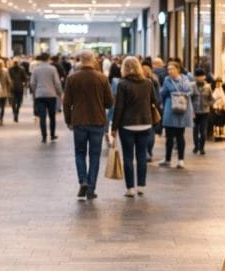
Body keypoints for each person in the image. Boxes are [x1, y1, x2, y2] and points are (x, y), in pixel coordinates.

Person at [63, 50, 114, 200]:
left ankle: (83, 180)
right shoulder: (102, 78)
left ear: (80, 60)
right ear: (92, 60)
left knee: (79, 153)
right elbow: (110, 102)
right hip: (97, 121)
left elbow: (67, 103)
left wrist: (68, 120)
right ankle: (91, 188)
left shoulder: (72, 78)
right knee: (94, 155)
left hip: (79, 121)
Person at [112, 58, 160, 198]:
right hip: (145, 123)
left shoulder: (123, 84)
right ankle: (141, 186)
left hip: (127, 125)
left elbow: (119, 107)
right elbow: (154, 102)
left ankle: (130, 188)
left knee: (128, 157)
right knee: (141, 156)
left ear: (125, 68)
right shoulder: (148, 82)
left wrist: (114, 127)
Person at [157, 62, 193, 168]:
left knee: (180, 135)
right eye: (168, 69)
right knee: (169, 136)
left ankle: (180, 160)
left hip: (180, 109)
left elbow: (189, 91)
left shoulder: (184, 79)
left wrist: (176, 93)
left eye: (172, 69)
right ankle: (168, 159)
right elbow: (163, 93)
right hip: (171, 110)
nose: (170, 71)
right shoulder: (168, 79)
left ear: (178, 69)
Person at [31, 52, 63, 143]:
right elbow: (57, 83)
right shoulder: (52, 69)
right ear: (48, 58)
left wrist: (35, 91)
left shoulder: (36, 69)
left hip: (40, 95)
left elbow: (32, 83)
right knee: (52, 116)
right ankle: (52, 135)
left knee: (42, 116)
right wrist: (60, 93)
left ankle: (44, 136)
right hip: (51, 94)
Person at [190, 68, 214, 155]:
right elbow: (189, 99)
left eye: (201, 76)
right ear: (195, 77)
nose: (200, 78)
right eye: (198, 76)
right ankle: (196, 146)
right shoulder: (192, 86)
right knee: (195, 130)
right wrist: (191, 111)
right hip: (195, 112)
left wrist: (209, 103)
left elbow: (211, 99)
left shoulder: (208, 87)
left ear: (204, 77)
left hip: (205, 112)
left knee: (203, 131)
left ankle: (202, 147)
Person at [8, 58, 29, 122]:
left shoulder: (10, 69)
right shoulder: (21, 69)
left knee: (13, 101)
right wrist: (25, 84)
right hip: (20, 87)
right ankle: (17, 112)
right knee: (19, 101)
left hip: (12, 87)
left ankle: (14, 112)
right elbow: (25, 78)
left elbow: (8, 78)